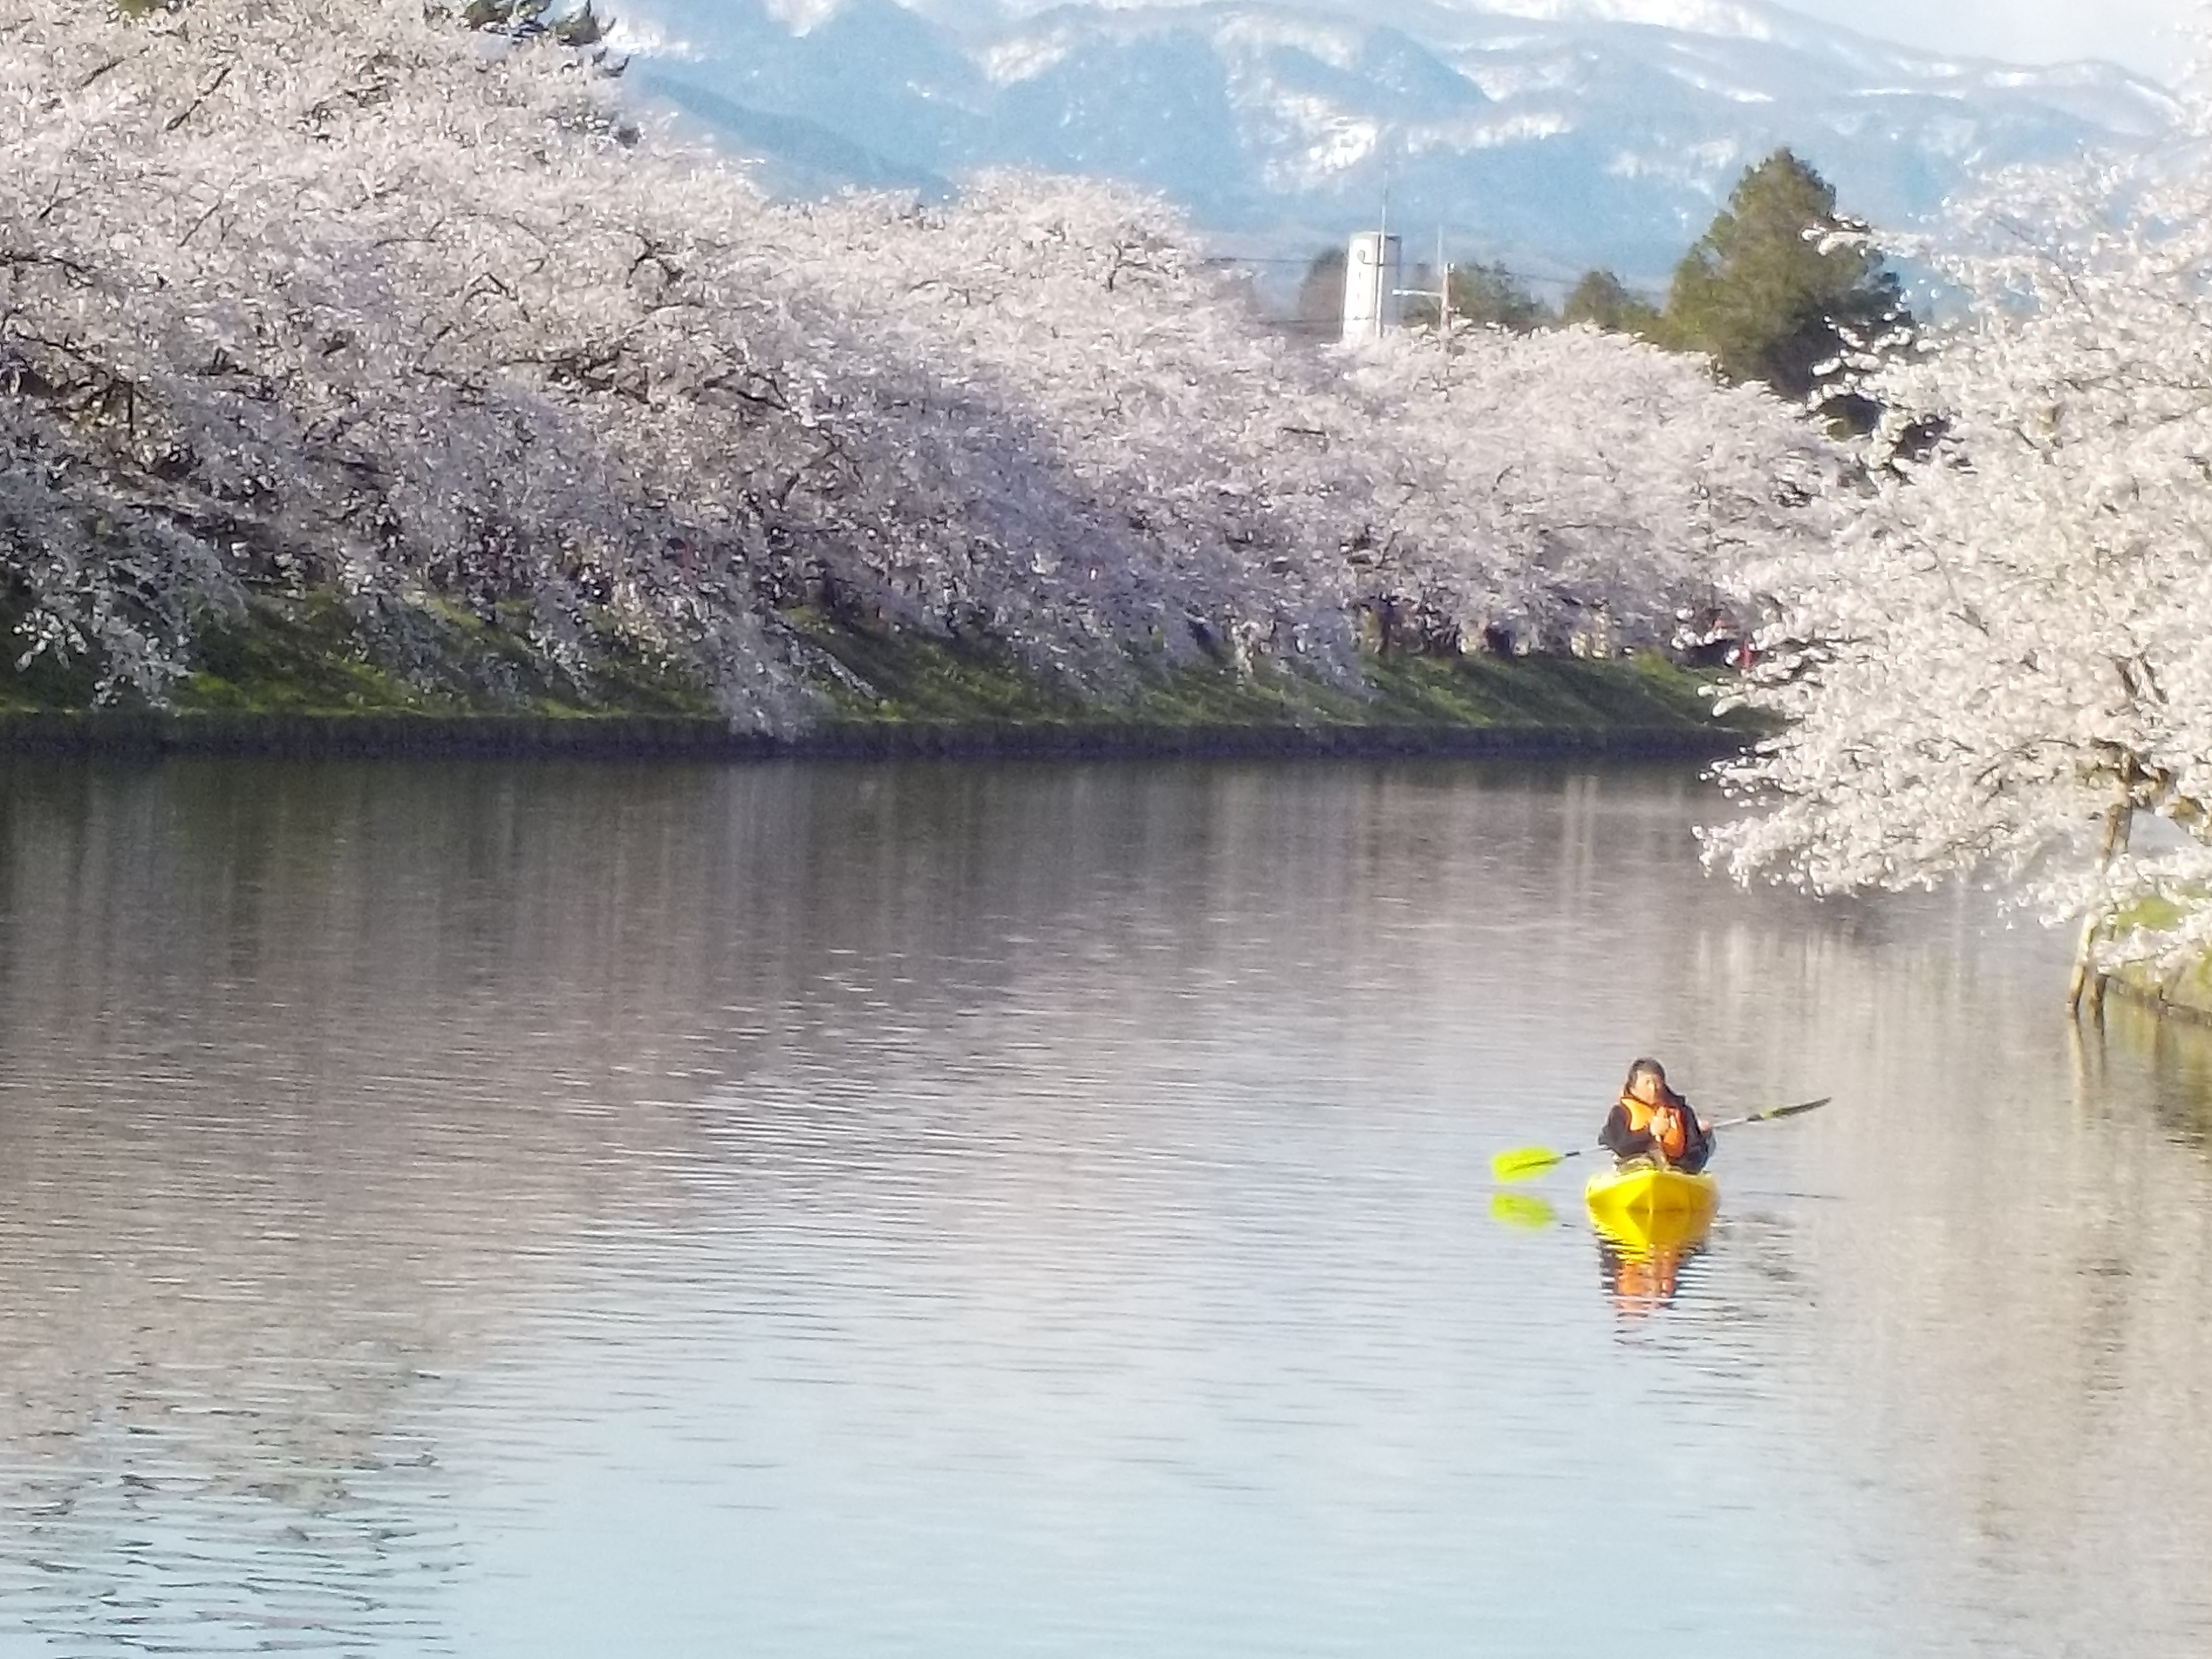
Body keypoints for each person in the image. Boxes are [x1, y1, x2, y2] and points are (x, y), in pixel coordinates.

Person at [1599, 1057, 1715, 1174]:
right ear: (1633, 1087)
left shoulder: (1683, 1112)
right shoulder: (1620, 1113)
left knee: (1703, 1141)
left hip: (1675, 1173)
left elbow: (1695, 1154)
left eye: (1657, 1083)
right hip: (1633, 1171)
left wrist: (1676, 1167)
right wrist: (1650, 1132)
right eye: (1647, 1083)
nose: (1653, 1088)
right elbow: (1620, 1147)